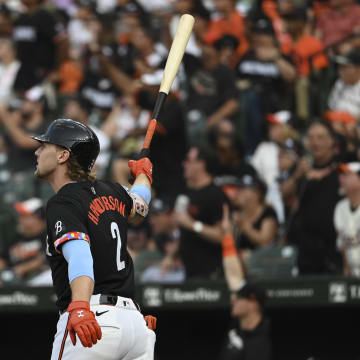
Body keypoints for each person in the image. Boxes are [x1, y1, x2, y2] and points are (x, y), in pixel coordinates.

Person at [31, 119, 155, 359]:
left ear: (62, 156)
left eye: (44, 145)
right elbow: (140, 205)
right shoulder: (113, 190)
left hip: (95, 321)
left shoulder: (63, 201)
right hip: (136, 327)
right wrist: (144, 174)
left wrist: (79, 307)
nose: (37, 151)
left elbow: (79, 254)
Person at [218, 204, 272, 360]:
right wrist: (227, 237)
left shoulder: (263, 339)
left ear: (253, 302)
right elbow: (234, 277)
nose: (233, 300)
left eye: (239, 297)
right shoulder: (237, 329)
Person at [173, 146, 229, 279]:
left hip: (211, 273)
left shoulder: (216, 194)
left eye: (188, 160)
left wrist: (192, 224)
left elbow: (222, 235)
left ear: (201, 164)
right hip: (188, 271)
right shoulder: (187, 192)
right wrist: (171, 257)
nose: (184, 164)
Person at [0, 197, 48, 286]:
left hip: (39, 279)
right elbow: (3, 259)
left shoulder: (49, 236)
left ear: (38, 218)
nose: (20, 219)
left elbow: (44, 260)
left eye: (25, 215)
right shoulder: (16, 237)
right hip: (12, 279)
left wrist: (23, 268)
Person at [335, 162, 360, 277]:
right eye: (340, 175)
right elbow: (343, 244)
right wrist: (347, 270)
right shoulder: (340, 208)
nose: (341, 179)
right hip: (353, 276)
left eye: (346, 175)